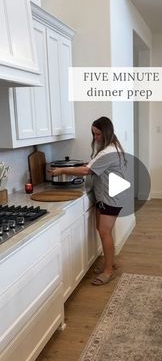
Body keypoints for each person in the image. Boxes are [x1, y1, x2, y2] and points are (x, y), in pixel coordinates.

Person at [49, 116, 126, 286]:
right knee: (103, 230)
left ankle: (108, 271)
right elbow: (93, 165)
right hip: (107, 195)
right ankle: (110, 263)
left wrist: (62, 170)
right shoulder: (111, 147)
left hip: (110, 197)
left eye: (98, 134)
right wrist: (88, 163)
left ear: (106, 133)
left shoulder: (108, 151)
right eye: (93, 134)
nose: (95, 138)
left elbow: (86, 172)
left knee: (104, 232)